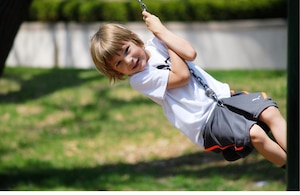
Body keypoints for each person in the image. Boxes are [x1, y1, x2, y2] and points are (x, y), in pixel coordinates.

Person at [90, 10, 287, 168]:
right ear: (116, 72)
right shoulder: (140, 79)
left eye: (126, 50)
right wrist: (165, 40)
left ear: (134, 38)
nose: (129, 60)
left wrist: (161, 31)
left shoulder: (157, 42)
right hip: (204, 121)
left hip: (223, 97)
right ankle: (292, 169)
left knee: (269, 111)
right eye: (118, 63)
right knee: (255, 133)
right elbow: (182, 76)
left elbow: (190, 53)